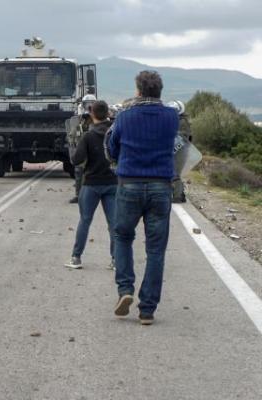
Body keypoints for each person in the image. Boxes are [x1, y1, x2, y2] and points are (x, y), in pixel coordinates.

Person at [105, 71, 178, 326]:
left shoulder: (125, 116)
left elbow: (112, 148)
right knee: (156, 249)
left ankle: (125, 289)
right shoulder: (172, 117)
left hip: (129, 185)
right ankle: (147, 309)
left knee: (123, 237)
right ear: (159, 90)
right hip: (161, 186)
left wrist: (120, 158)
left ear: (138, 90)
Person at [65, 100, 117, 270]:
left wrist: (73, 147)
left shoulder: (88, 136)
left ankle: (76, 257)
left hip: (91, 183)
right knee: (113, 224)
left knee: (85, 221)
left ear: (92, 114)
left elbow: (76, 160)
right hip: (112, 182)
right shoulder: (116, 133)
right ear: (108, 113)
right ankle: (116, 260)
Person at [68, 94, 97, 204]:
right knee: (78, 171)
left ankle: (95, 194)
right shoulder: (79, 119)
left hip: (95, 149)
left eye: (91, 104)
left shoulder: (99, 117)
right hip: (82, 148)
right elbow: (73, 133)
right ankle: (78, 195)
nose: (89, 106)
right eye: (87, 104)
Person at [166, 100, 190, 203]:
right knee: (173, 172)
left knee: (175, 173)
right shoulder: (178, 120)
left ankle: (178, 196)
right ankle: (179, 194)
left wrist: (171, 149)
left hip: (180, 151)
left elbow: (181, 138)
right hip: (178, 149)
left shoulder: (182, 122)